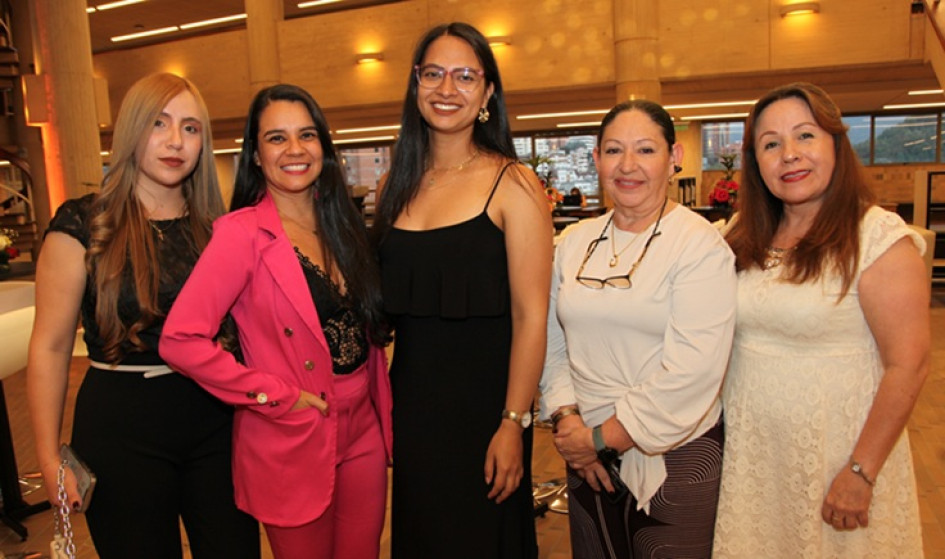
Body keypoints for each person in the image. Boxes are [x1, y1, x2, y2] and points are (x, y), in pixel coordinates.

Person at [26, 73, 260, 558]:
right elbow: (49, 348)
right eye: (160, 123)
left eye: (191, 128)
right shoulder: (82, 224)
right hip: (121, 426)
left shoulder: (220, 231)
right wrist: (49, 459)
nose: (176, 141)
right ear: (132, 129)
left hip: (217, 421)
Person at [160, 83, 392, 559]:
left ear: (324, 148)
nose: (294, 150)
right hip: (293, 431)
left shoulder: (343, 226)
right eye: (276, 138)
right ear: (256, 155)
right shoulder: (240, 234)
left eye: (306, 135)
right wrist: (271, 395)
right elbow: (180, 340)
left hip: (363, 427)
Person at [713, 82, 929, 557]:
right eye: (771, 144)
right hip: (755, 461)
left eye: (805, 136)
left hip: (839, 457)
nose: (789, 155)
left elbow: (908, 365)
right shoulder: (740, 233)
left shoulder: (876, 238)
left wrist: (861, 472)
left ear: (836, 142)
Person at [373, 22, 552, 559]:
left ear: (487, 94)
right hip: (415, 412)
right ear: (415, 83)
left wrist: (513, 424)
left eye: (465, 76)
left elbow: (532, 317)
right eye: (433, 74)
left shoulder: (514, 183)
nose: (446, 89)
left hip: (487, 414)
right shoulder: (393, 185)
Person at [539, 99, 737, 558]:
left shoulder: (698, 246)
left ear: (674, 159)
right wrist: (568, 418)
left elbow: (694, 369)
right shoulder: (573, 244)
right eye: (613, 151)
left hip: (675, 452)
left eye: (645, 150)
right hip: (583, 445)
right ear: (596, 160)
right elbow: (552, 342)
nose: (628, 166)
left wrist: (601, 439)